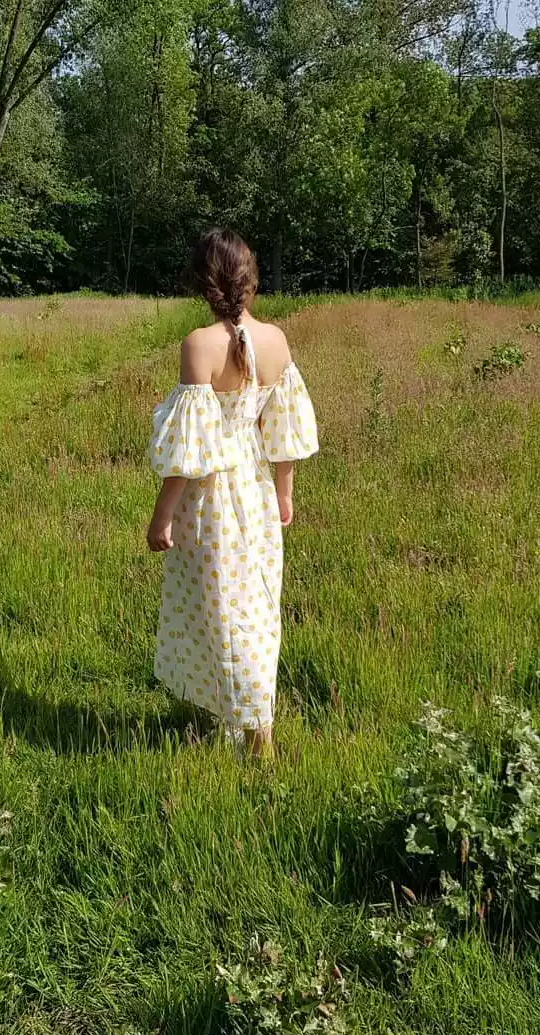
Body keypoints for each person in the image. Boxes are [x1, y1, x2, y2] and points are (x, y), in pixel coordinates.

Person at [146, 228, 318, 756]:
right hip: (257, 489)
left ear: (202, 282)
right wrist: (284, 495)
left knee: (222, 612)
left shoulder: (199, 345)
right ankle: (243, 717)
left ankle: (254, 726)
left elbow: (190, 454)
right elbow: (282, 432)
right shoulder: (277, 339)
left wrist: (162, 518)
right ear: (251, 277)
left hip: (212, 499)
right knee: (257, 607)